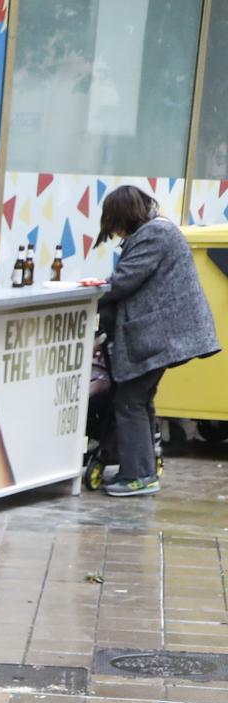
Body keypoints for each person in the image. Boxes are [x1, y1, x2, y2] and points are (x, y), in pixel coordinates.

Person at [93, 185, 220, 497]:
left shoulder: (154, 235)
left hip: (160, 336)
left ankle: (138, 476)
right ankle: (144, 470)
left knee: (129, 401)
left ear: (123, 216)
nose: (116, 231)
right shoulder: (157, 230)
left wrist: (93, 290)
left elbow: (124, 280)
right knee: (140, 399)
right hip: (164, 335)